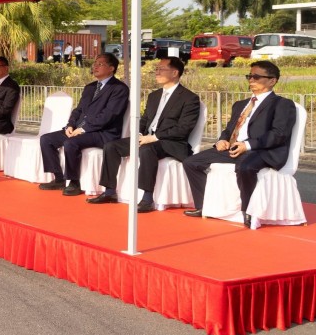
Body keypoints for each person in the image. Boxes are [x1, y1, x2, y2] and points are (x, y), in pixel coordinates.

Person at [183, 60, 296, 227]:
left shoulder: (282, 104)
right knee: (191, 162)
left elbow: (279, 134)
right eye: (249, 76)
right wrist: (222, 140)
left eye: (256, 76)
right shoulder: (241, 105)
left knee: (245, 167)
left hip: (261, 150)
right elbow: (229, 130)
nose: (251, 79)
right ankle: (203, 206)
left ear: (272, 80)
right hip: (234, 148)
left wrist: (248, 145)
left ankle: (248, 210)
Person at [88, 57, 200, 213]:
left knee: (147, 150)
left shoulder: (189, 98)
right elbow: (146, 119)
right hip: (147, 138)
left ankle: (147, 198)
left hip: (171, 143)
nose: (157, 72)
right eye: (157, 69)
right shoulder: (154, 96)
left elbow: (183, 129)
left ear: (175, 73)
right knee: (112, 146)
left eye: (161, 69)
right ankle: (109, 191)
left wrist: (154, 137)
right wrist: (139, 133)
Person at [39, 53, 129, 196]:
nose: (95, 66)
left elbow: (109, 115)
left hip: (103, 133)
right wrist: (70, 125)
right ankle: (59, 178)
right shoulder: (90, 87)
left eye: (100, 64)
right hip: (79, 129)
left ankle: (74, 182)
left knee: (71, 143)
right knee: (46, 139)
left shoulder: (119, 89)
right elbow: (78, 110)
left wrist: (84, 129)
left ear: (111, 68)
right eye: (95, 63)